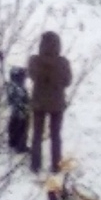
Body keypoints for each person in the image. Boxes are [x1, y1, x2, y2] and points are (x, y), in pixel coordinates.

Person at [28, 31, 72, 174]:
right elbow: (67, 82)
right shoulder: (63, 62)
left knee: (37, 134)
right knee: (55, 136)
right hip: (57, 104)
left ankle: (35, 165)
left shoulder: (34, 60)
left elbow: (31, 76)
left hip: (39, 102)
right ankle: (55, 165)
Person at [6, 66, 30, 153]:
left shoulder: (12, 85)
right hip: (20, 111)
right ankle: (20, 146)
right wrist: (26, 106)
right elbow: (22, 99)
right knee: (21, 127)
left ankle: (13, 142)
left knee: (14, 124)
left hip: (15, 111)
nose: (24, 79)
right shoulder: (18, 88)